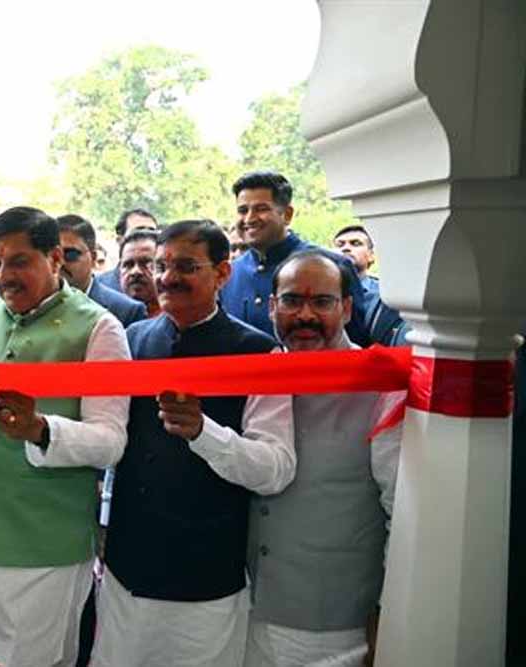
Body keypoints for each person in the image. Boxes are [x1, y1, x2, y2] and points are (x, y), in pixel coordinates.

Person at [0, 206, 131, 667]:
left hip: (43, 550)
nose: (4, 276)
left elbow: (110, 441)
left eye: (18, 262)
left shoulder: (100, 329)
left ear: (54, 258)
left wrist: (40, 430)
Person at [93, 220, 295, 667]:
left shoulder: (258, 354)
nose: (167, 278)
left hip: (205, 576)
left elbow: (276, 469)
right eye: (161, 266)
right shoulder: (134, 340)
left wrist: (205, 433)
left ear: (222, 273)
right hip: (126, 568)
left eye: (186, 266)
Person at [245, 250, 405, 666]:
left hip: (335, 621)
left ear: (347, 308)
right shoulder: (258, 371)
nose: (305, 315)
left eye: (322, 302)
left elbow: (402, 512)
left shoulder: (382, 384)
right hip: (246, 609)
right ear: (272, 306)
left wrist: (391, 611)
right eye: (291, 301)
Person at [219, 171, 372, 346]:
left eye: (261, 209)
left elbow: (355, 341)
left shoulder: (333, 265)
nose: (249, 218)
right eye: (242, 210)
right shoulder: (230, 273)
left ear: (287, 214)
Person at [57, 214, 147, 327]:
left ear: (93, 257)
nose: (60, 262)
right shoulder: (38, 305)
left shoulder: (127, 311)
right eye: (53, 255)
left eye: (70, 254)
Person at [331, 224, 410, 346]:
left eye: (355, 243)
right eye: (340, 245)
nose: (346, 248)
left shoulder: (387, 296)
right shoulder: (317, 289)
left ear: (371, 256)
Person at [96, 207, 158, 293]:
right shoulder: (98, 287)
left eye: (152, 233)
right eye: (138, 232)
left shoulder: (168, 288)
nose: (146, 237)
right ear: (120, 240)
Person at [118, 228, 161, 318]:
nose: (135, 271)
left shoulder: (178, 319)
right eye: (128, 265)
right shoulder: (106, 315)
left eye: (146, 263)